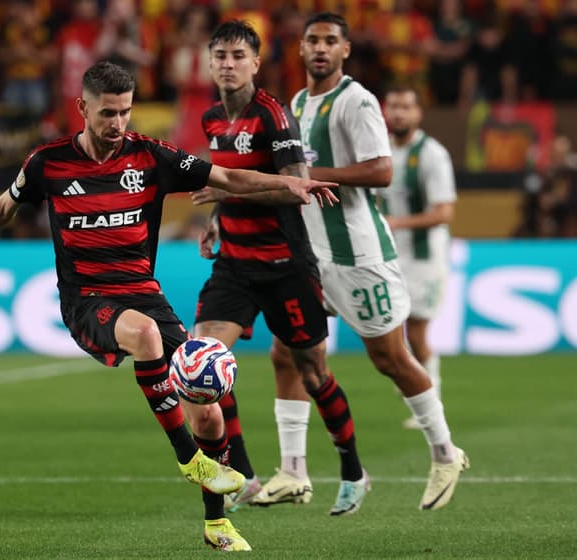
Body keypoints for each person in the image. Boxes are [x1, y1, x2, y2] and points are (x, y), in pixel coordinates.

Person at [0, 61, 336, 551]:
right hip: (88, 299)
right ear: (82, 107)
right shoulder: (48, 163)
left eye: (125, 111)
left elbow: (228, 178)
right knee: (145, 337)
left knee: (208, 411)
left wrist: (291, 185)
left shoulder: (151, 156)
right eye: (107, 113)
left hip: (144, 292)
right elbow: (3, 208)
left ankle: (217, 523)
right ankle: (189, 460)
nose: (117, 123)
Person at [194, 12, 468, 512]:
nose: (320, 49)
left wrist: (301, 174)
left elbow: (383, 170)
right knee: (287, 356)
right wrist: (226, 211)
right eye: (312, 41)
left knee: (390, 359)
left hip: (358, 253)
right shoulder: (298, 103)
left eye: (331, 42)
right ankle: (293, 470)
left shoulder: (356, 100)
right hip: (310, 252)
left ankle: (445, 451)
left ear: (345, 51)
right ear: (299, 49)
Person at [184, 20, 369, 522]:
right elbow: (226, 180)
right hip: (234, 266)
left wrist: (226, 193)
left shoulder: (273, 116)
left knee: (313, 372)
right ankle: (243, 475)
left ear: (255, 63)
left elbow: (296, 186)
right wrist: (216, 220)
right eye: (219, 54)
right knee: (204, 369)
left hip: (286, 264)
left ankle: (353, 471)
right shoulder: (210, 120)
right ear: (209, 61)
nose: (228, 63)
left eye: (237, 55)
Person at [381, 86, 457, 429]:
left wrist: (397, 222)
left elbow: (444, 212)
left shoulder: (431, 154)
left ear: (418, 114)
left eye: (405, 107)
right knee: (393, 330)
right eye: (393, 106)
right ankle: (418, 385)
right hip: (390, 256)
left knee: (418, 331)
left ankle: (431, 396)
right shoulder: (379, 152)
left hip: (425, 257)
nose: (398, 113)